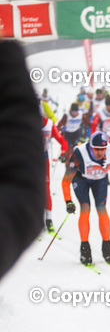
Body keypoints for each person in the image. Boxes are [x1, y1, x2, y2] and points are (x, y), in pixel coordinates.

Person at [0, 38, 47, 279]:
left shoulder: (45, 116)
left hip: (34, 151)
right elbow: (24, 195)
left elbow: (56, 131)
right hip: (26, 153)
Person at [61, 132, 110, 265]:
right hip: (81, 179)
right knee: (85, 208)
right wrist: (68, 201)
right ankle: (85, 249)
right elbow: (65, 181)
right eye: (96, 149)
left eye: (102, 149)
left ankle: (107, 248)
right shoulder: (79, 153)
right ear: (90, 146)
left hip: (100, 179)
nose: (100, 152)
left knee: (101, 208)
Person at [41, 111, 68, 234]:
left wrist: (63, 152)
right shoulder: (25, 122)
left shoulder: (49, 124)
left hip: (44, 159)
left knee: (46, 189)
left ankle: (49, 219)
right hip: (29, 159)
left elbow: (63, 141)